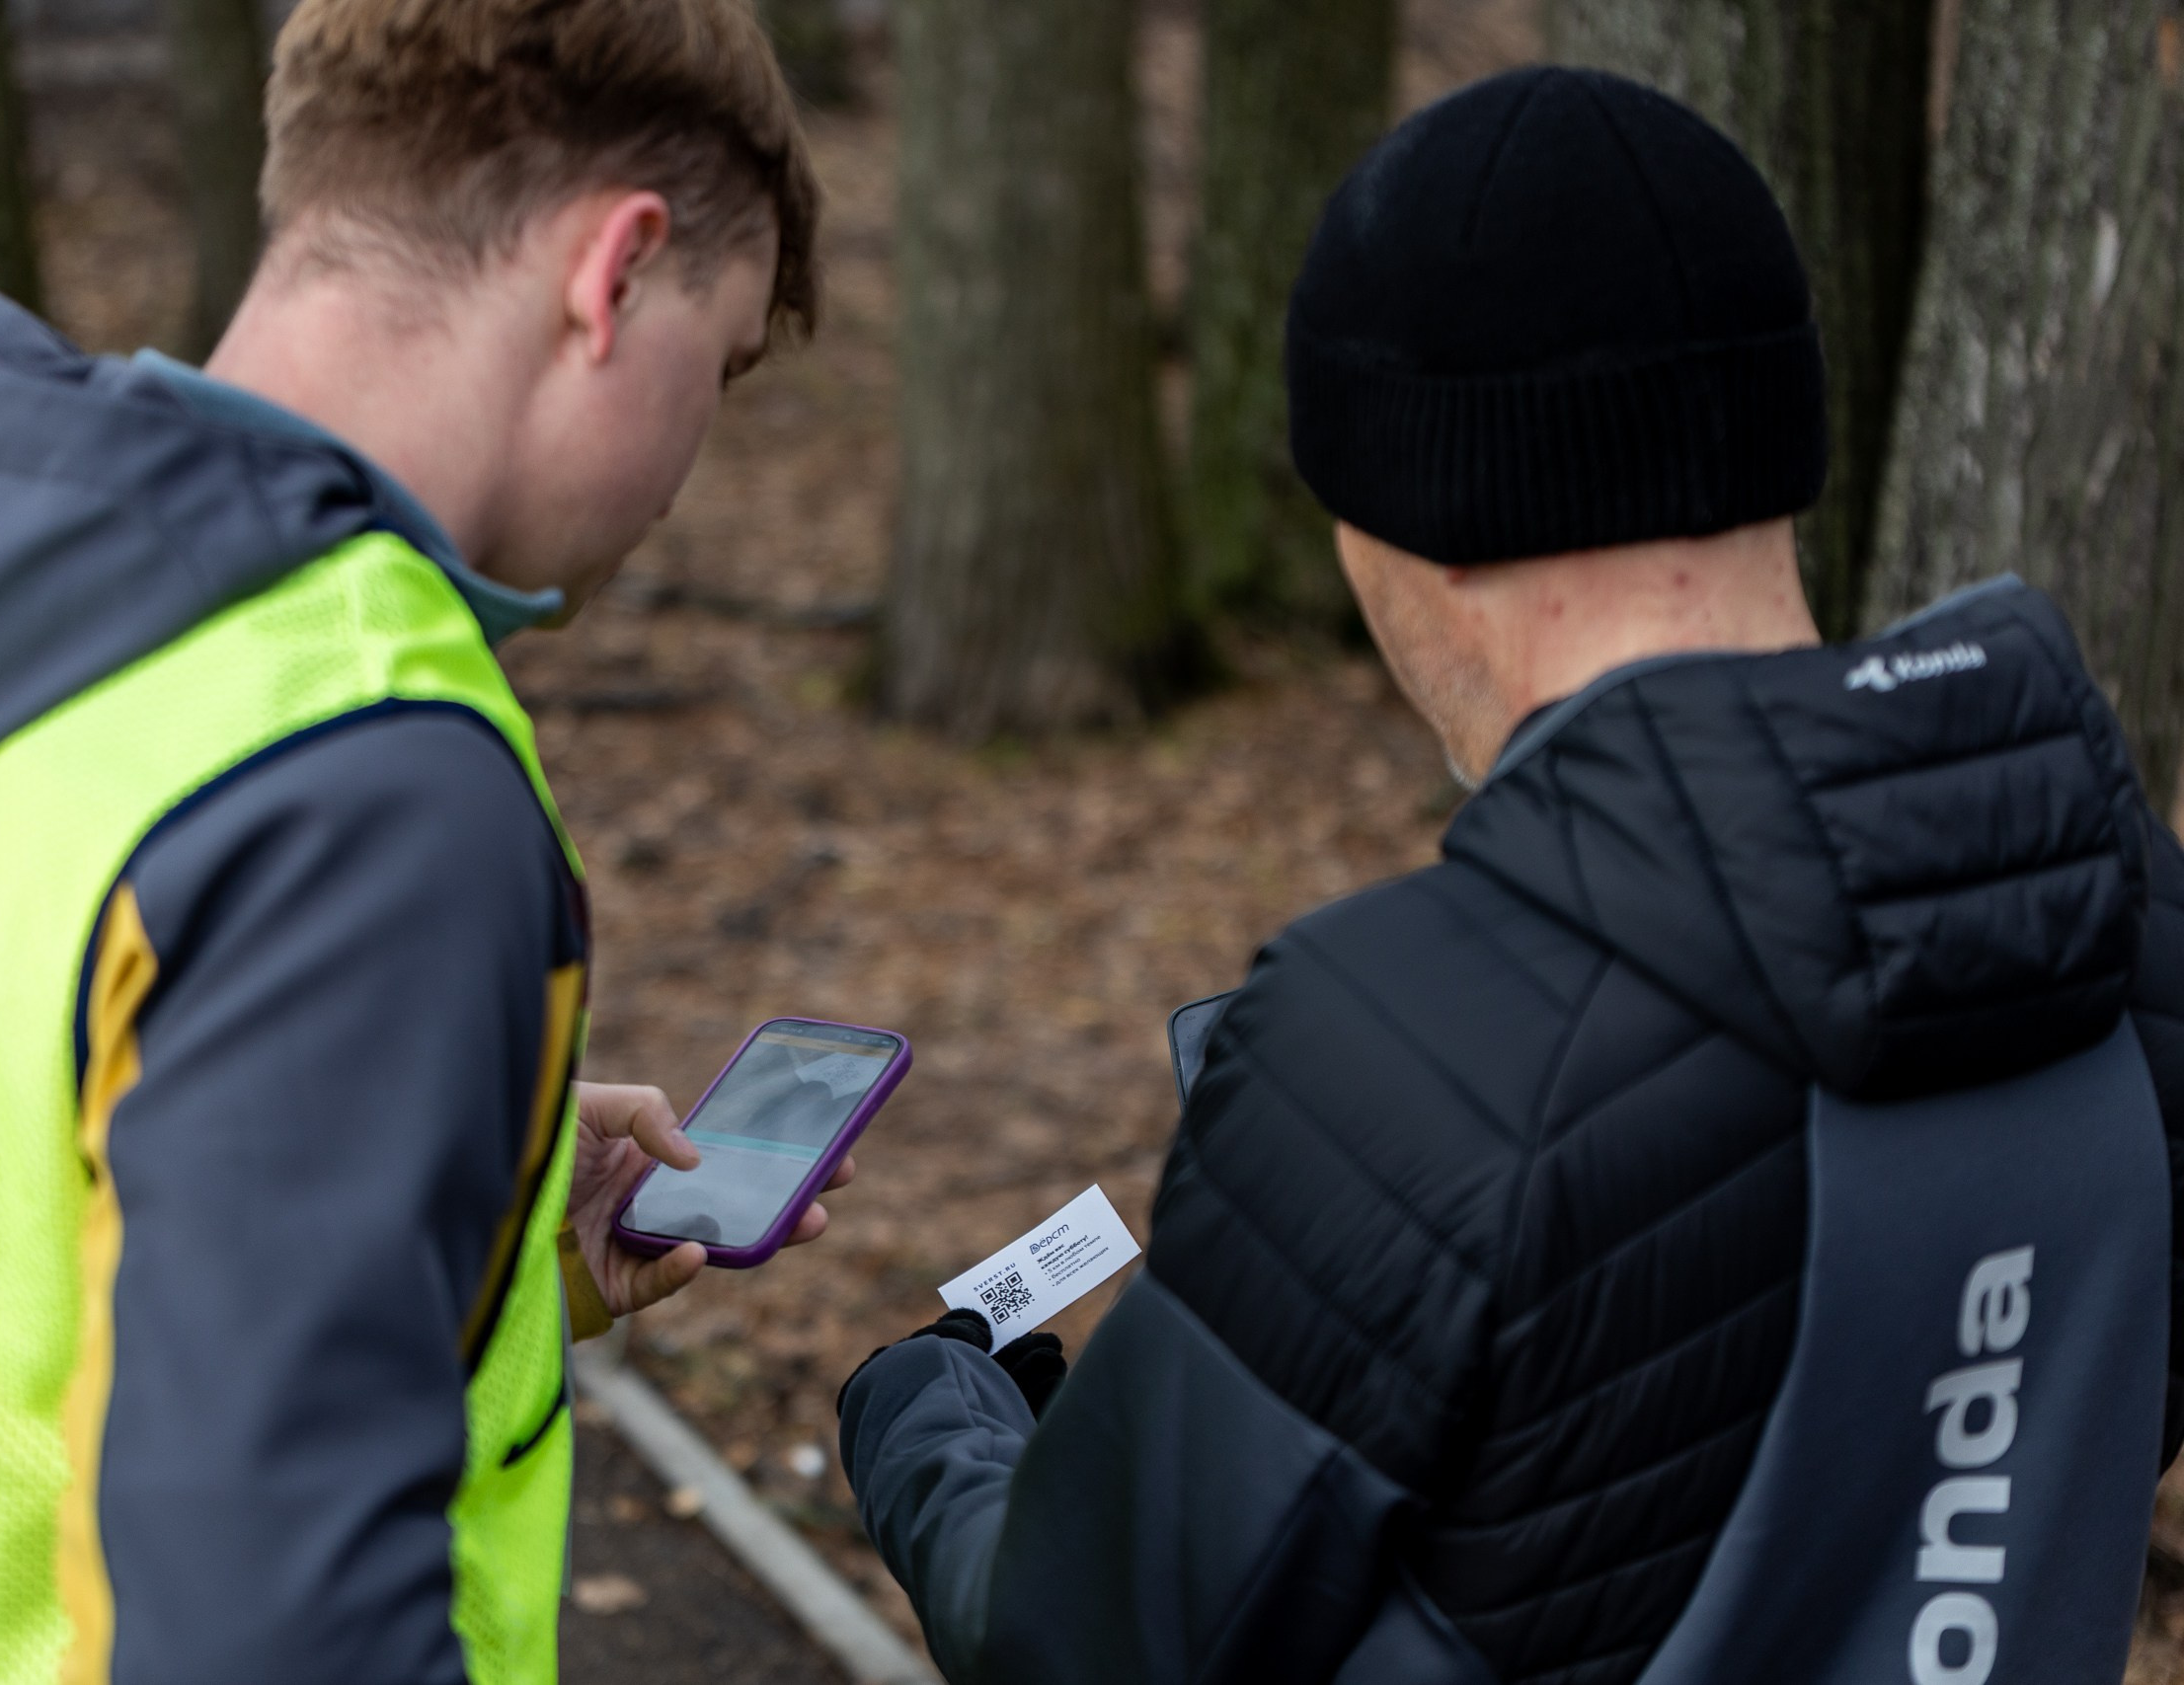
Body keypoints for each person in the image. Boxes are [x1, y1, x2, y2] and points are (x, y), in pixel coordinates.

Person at [839, 66, 2184, 1685]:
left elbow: (1085, 1644)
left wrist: (935, 1429)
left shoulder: (1398, 1053)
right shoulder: (2121, 914)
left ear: (1431, 507)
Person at [0, 2, 832, 1681]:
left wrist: (433, 1222)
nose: (682, 472)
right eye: (709, 366)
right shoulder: (349, 775)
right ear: (614, 271)